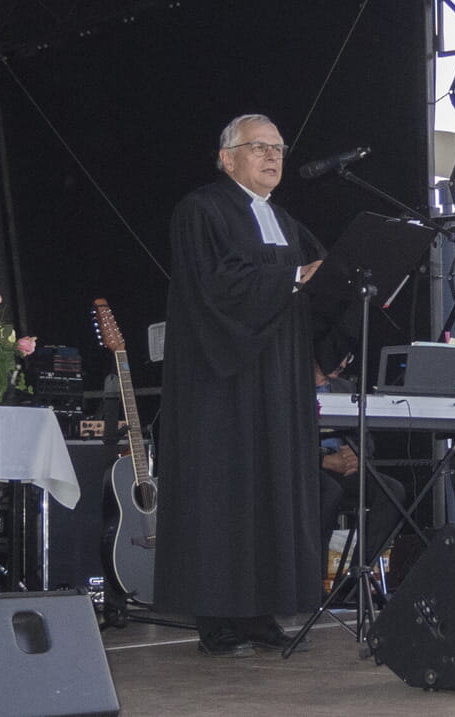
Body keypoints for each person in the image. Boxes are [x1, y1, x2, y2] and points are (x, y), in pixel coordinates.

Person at [154, 114, 326, 658]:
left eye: (279, 148)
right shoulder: (201, 210)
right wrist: (291, 277)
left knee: (273, 488)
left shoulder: (287, 221)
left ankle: (261, 610)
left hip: (278, 381)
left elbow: (320, 278)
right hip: (221, 379)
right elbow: (216, 285)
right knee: (224, 491)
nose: (273, 157)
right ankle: (219, 616)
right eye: (259, 148)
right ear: (227, 158)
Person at [315, 361, 408, 589]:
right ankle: (313, 582)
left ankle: (356, 577)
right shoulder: (290, 385)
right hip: (306, 468)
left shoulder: (345, 387)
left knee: (391, 490)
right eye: (339, 356)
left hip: (345, 466)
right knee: (329, 492)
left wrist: (356, 454)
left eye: (348, 358)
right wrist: (323, 460)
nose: (343, 363)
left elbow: (366, 439)